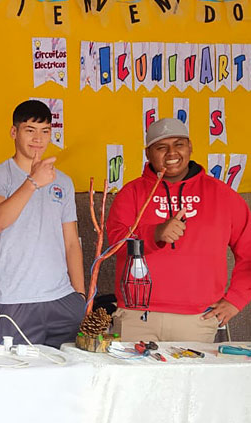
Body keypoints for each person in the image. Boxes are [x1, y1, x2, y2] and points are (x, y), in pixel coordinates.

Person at [107, 117, 251, 342]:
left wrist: (236, 299)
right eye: (161, 147)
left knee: (190, 379)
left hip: (197, 320)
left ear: (190, 147)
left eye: (179, 144)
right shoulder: (131, 193)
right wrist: (154, 234)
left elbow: (248, 251)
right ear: (148, 154)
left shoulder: (223, 196)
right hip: (137, 316)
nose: (171, 153)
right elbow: (115, 245)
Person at [0, 100, 85, 348]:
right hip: (16, 299)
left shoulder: (63, 182)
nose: (38, 138)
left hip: (63, 298)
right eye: (30, 130)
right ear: (14, 133)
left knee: (66, 378)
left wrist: (81, 297)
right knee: (20, 380)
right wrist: (33, 182)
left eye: (45, 131)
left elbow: (71, 242)